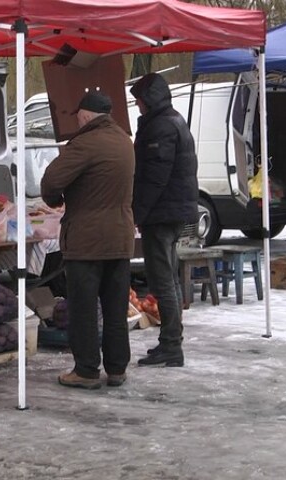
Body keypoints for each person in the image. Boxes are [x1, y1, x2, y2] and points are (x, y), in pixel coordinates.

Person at [41, 91, 135, 389]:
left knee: (83, 308)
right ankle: (117, 369)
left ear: (84, 115)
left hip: (87, 240)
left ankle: (86, 370)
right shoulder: (123, 141)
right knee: (115, 308)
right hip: (119, 237)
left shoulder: (84, 143)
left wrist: (55, 199)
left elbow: (52, 181)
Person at [130, 73, 199, 368]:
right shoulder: (173, 120)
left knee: (163, 280)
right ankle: (171, 341)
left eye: (139, 101)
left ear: (149, 100)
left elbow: (155, 178)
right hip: (172, 211)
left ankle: (171, 344)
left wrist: (137, 213)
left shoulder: (160, 127)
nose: (138, 107)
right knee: (168, 276)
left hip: (162, 213)